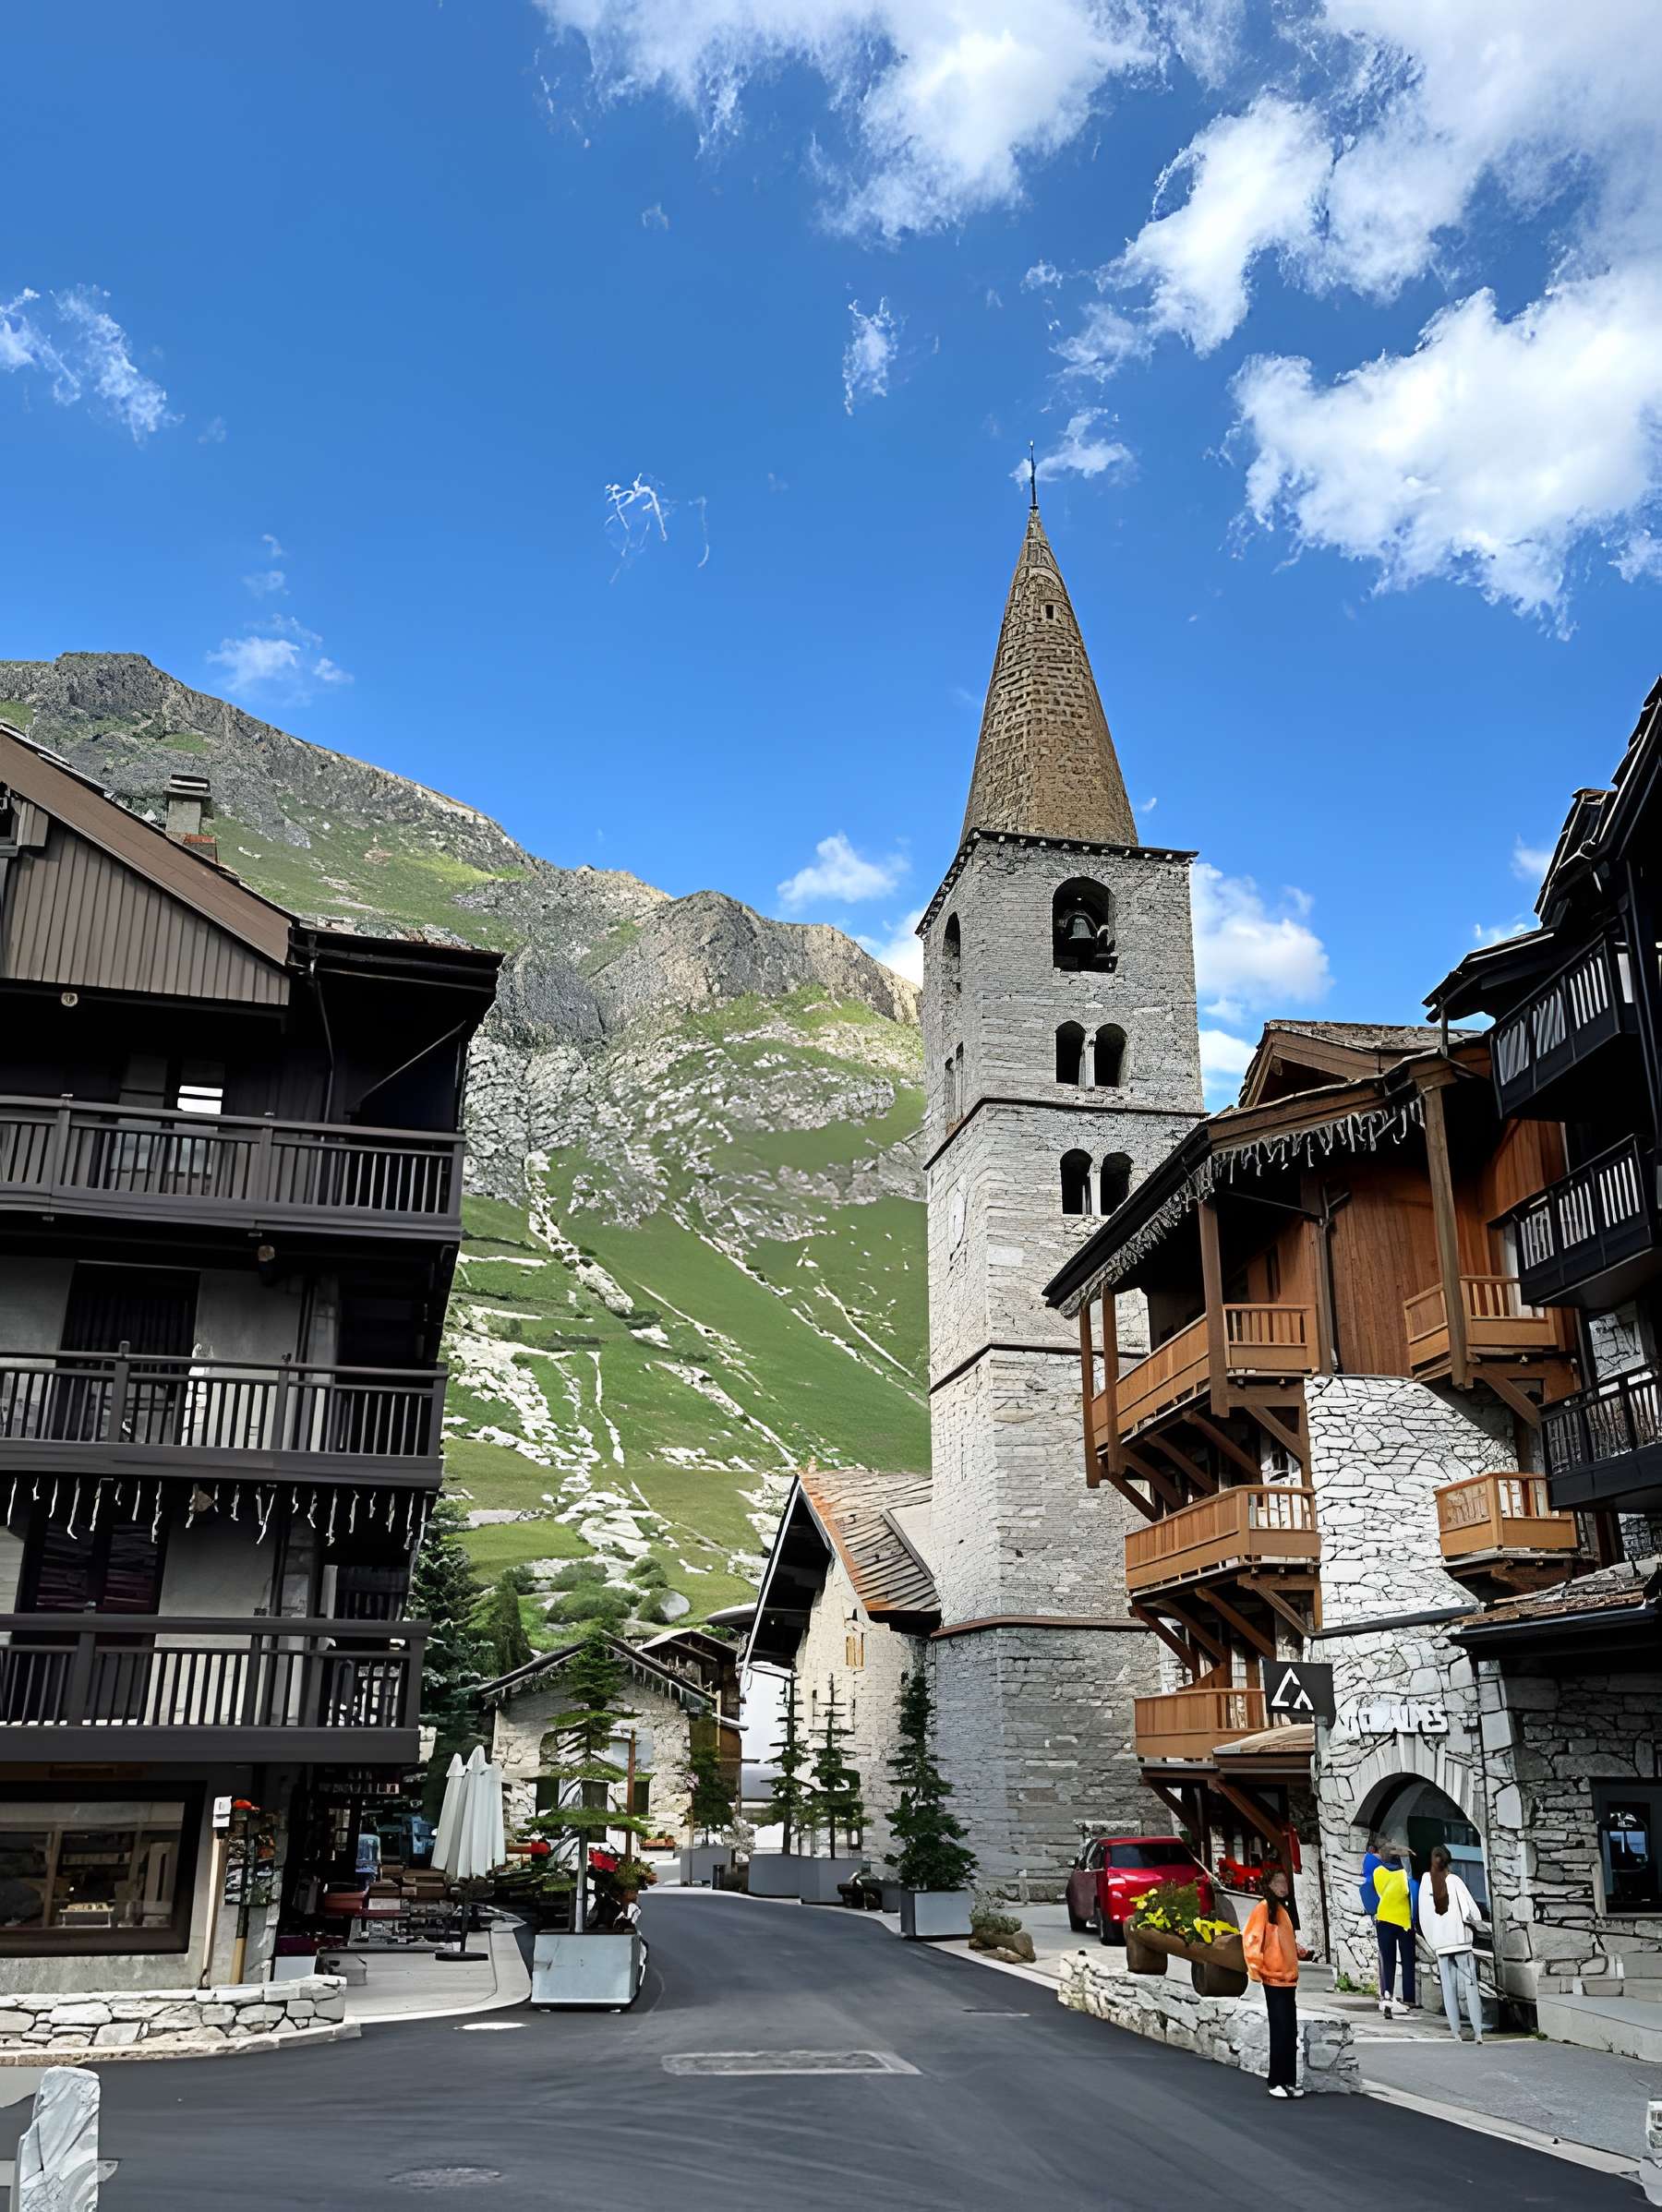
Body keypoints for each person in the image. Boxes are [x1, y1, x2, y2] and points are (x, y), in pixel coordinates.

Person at [1243, 1865, 1313, 2099]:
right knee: (1280, 2030)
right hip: (1273, 1979)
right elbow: (1252, 1939)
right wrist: (1258, 1968)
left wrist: (1297, 1950)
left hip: (1288, 1978)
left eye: (1285, 1882)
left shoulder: (1282, 1910)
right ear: (1270, 1885)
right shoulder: (1264, 1909)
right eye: (1279, 1882)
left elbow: (1282, 1940)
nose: (1284, 1886)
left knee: (1289, 2031)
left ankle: (1289, 2081)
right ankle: (1277, 2081)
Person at [1418, 1845, 1486, 2044]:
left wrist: (1433, 1941)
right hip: (1461, 1941)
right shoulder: (1455, 1881)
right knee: (1470, 1985)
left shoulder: (1425, 1882)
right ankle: (1478, 2032)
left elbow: (1423, 1916)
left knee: (1448, 1988)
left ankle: (1456, 2033)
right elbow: (1471, 1911)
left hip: (1441, 1943)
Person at [1372, 1838, 1417, 2018]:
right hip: (1403, 1922)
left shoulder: (1378, 1872)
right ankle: (1408, 1998)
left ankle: (1387, 1995)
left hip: (1383, 1918)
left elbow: (1379, 1892)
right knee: (1407, 1960)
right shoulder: (1403, 1875)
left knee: (1387, 1960)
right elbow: (1408, 1893)